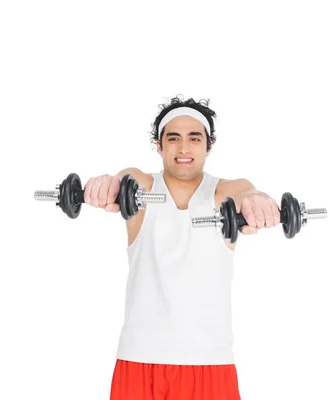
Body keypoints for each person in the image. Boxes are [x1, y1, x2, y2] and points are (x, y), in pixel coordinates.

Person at [83, 96, 281, 400]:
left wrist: (259, 201)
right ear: (159, 146)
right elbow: (124, 180)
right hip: (139, 359)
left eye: (194, 138)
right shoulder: (141, 188)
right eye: (173, 139)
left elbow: (248, 192)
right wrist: (105, 185)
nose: (184, 148)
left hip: (209, 362)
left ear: (208, 146)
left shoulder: (224, 192)